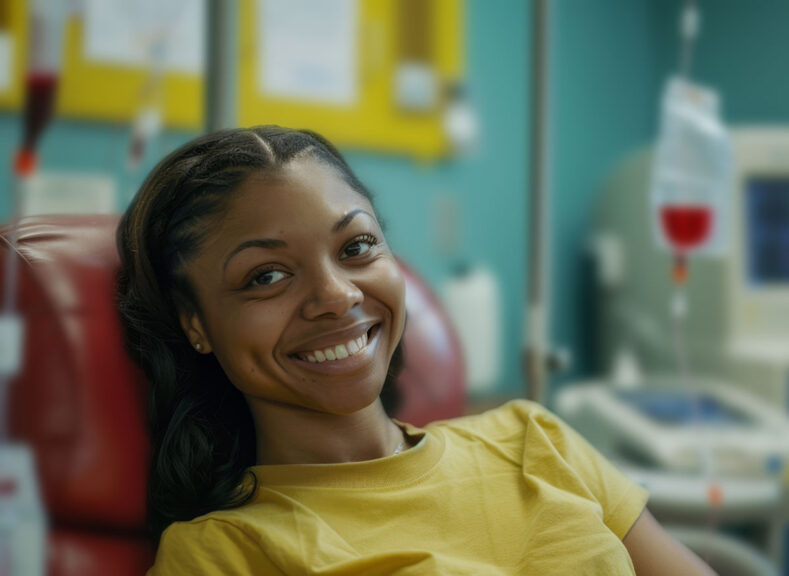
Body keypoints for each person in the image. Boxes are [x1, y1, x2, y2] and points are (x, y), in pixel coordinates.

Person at [116, 126, 716, 575]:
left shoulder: (534, 440)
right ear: (195, 323)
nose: (335, 294)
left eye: (356, 247)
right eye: (266, 276)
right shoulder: (223, 554)